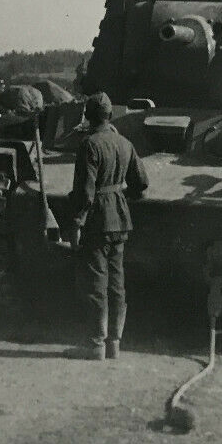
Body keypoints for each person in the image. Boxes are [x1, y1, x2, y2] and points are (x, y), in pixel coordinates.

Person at [65, 92, 149, 360]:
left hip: (97, 220)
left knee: (96, 282)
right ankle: (114, 343)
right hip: (119, 218)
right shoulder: (125, 143)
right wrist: (119, 197)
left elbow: (85, 192)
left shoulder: (89, 144)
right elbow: (141, 184)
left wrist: (77, 221)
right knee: (116, 282)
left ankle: (95, 344)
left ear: (88, 116)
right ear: (110, 115)